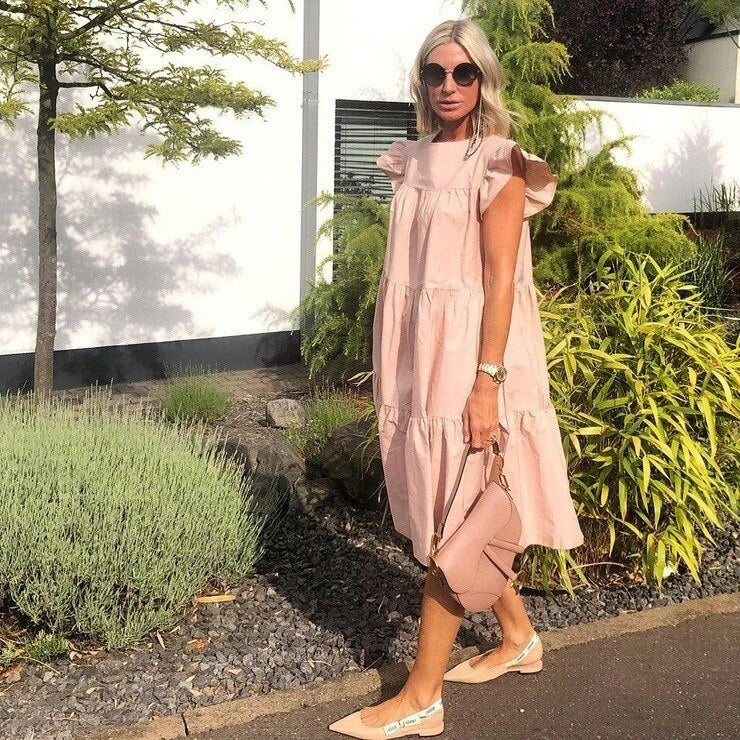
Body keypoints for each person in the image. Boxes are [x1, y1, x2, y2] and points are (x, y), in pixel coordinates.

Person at [329, 17, 584, 739]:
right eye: (435, 73)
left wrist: (486, 382)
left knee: (455, 512)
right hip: (421, 355)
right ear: (421, 82)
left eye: (463, 72)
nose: (448, 85)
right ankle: (519, 638)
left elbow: (500, 281)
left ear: (483, 80)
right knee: (456, 500)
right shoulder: (411, 159)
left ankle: (421, 696)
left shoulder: (499, 162)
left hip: (474, 356)